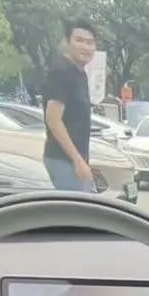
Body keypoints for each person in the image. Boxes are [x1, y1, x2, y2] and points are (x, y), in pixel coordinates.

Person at [42, 19, 98, 191]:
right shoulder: (62, 71)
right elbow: (53, 120)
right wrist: (77, 160)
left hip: (75, 161)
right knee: (78, 207)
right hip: (63, 160)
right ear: (67, 42)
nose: (85, 47)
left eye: (90, 42)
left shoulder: (79, 74)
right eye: (79, 40)